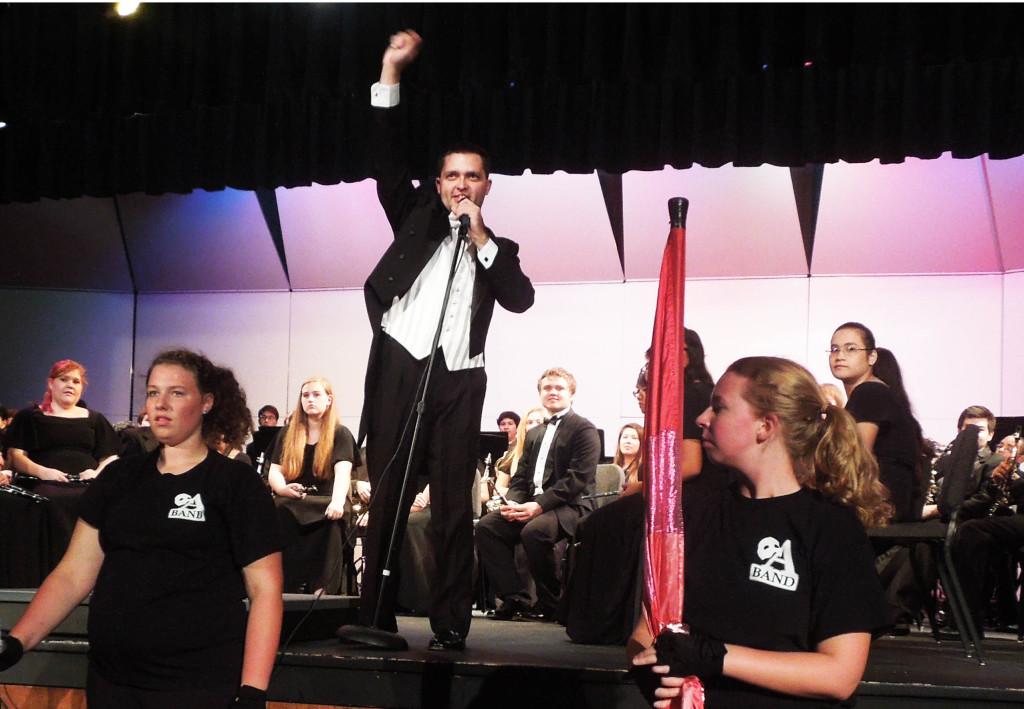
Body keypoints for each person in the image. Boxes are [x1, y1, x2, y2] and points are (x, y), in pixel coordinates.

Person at [357, 29, 534, 651]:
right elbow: (384, 157)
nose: (462, 183)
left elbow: (520, 298)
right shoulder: (412, 219)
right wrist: (390, 72)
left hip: (461, 377)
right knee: (390, 493)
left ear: (487, 186)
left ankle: (451, 622)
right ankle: (373, 614)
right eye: (452, 175)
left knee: (454, 505)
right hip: (404, 364)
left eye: (473, 177)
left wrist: (481, 239)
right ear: (437, 184)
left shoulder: (498, 248)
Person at [0, 349, 283, 708]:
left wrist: (253, 690)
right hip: (113, 681)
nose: (161, 404)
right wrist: (17, 641)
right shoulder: (119, 477)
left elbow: (266, 591)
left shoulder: (235, 483)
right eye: (153, 392)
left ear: (207, 402)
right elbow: (73, 575)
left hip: (199, 684)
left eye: (177, 393)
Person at [630, 356, 889, 708]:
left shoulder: (830, 528)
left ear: (766, 426)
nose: (701, 419)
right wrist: (657, 672)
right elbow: (645, 634)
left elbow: (839, 676)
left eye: (718, 408)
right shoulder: (692, 514)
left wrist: (716, 656)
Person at [564, 328, 713, 645]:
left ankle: (603, 623)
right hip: (678, 492)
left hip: (690, 496)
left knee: (602, 525)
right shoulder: (692, 392)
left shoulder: (690, 394)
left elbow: (690, 465)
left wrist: (641, 489)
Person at [475, 367, 600, 622]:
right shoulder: (533, 434)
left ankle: (552, 603)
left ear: (571, 394)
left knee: (535, 531)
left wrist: (538, 507)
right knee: (488, 527)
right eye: (547, 388)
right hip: (535, 506)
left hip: (571, 506)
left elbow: (576, 480)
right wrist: (514, 504)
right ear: (540, 393)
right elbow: (521, 479)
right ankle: (515, 598)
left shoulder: (584, 429)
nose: (552, 392)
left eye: (559, 388)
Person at [1, 360, 121, 586]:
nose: (70, 385)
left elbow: (111, 456)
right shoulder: (32, 417)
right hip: (45, 481)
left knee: (101, 499)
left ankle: (95, 574)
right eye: (64, 380)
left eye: (76, 381)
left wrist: (96, 472)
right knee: (54, 500)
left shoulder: (94, 419)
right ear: (51, 383)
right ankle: (59, 575)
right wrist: (43, 471)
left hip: (86, 480)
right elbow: (16, 455)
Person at [268, 377, 359, 595]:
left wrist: (338, 502)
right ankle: (282, 584)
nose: (310, 399)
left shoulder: (340, 433)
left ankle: (323, 587)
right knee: (279, 509)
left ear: (329, 400)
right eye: (305, 395)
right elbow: (274, 471)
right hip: (296, 499)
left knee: (332, 519)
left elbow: (343, 472)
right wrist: (282, 489)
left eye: (316, 395)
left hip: (327, 500)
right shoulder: (287, 434)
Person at [829, 323, 920, 522]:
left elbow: (856, 459)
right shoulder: (874, 392)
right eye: (834, 349)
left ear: (871, 357)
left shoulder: (869, 392)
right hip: (887, 503)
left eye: (851, 349)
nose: (840, 355)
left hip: (878, 507)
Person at [494, 406, 545, 495]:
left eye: (538, 422)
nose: (534, 426)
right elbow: (497, 489)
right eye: (529, 422)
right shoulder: (513, 453)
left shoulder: (556, 452)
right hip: (516, 503)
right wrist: (519, 494)